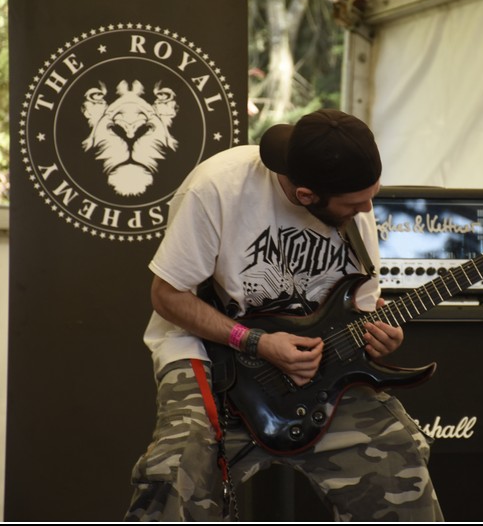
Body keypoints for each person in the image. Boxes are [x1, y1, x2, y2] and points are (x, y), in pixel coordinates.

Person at [125, 109, 444, 522]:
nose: (368, 208)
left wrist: (380, 339)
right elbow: (167, 296)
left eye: (371, 195)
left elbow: (360, 308)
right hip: (209, 349)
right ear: (307, 195)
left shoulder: (356, 213)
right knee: (174, 470)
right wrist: (256, 342)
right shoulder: (217, 188)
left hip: (318, 368)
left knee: (399, 455)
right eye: (355, 203)